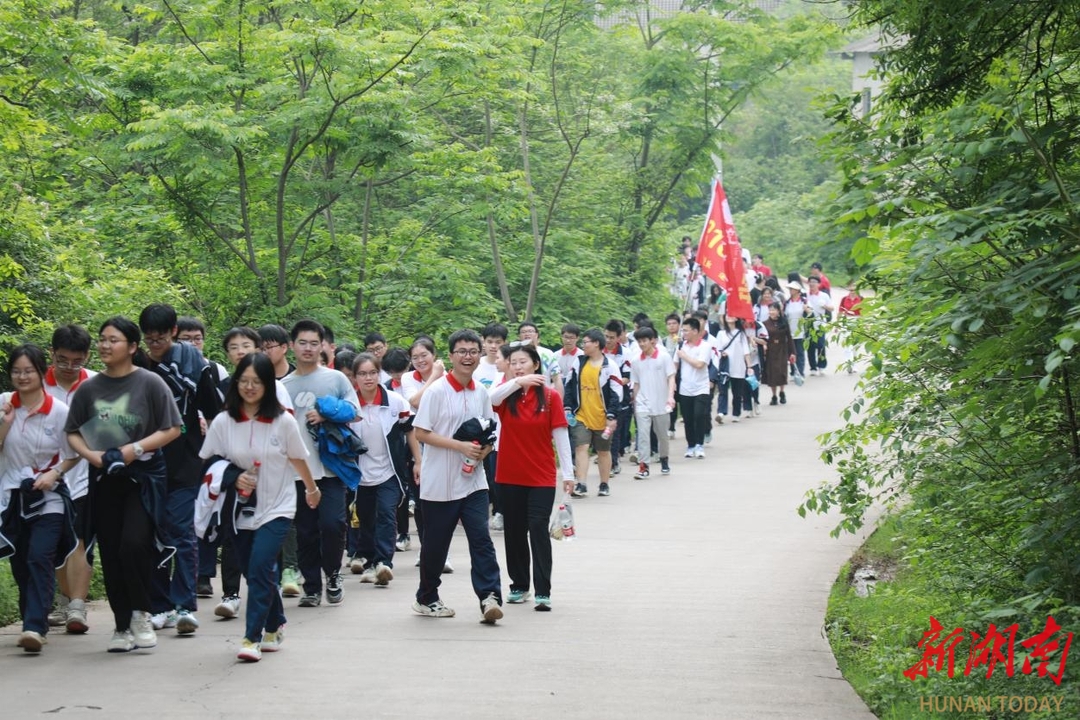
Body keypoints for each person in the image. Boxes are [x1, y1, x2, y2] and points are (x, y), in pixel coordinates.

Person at [65, 317, 183, 653]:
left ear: (132, 346)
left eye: (113, 340)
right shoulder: (89, 388)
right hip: (105, 477)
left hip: (143, 478)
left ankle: (141, 613)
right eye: (102, 339)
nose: (105, 345)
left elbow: (173, 428)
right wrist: (93, 456)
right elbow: (73, 431)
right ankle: (120, 626)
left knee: (134, 543)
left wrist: (135, 449)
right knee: (112, 550)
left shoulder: (150, 382)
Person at [198, 352, 320, 662]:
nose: (250, 387)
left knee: (260, 566)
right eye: (244, 381)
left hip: (278, 507)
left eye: (257, 382)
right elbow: (208, 460)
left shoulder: (283, 421)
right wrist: (234, 477)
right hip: (238, 511)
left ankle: (251, 637)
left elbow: (297, 458)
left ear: (268, 385)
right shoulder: (224, 421)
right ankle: (275, 622)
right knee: (257, 572)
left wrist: (311, 488)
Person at [139, 303, 223, 635]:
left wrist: (215, 456)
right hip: (146, 464)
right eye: (149, 339)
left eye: (160, 338)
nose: (154, 345)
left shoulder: (195, 367)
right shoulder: (139, 365)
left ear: (173, 332)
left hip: (186, 462)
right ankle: (159, 605)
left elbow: (214, 413)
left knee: (182, 532)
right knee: (152, 535)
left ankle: (184, 604)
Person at [411, 329, 503, 624]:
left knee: (481, 539)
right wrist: (459, 446)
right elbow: (421, 432)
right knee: (436, 546)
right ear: (450, 356)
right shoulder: (436, 391)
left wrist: (485, 450)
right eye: (462, 351)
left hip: (473, 482)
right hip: (440, 482)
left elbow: (490, 430)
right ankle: (426, 597)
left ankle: (489, 597)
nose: (468, 357)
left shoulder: (481, 393)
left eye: (473, 351)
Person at [0, 345, 81, 652]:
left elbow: (74, 453)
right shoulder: (3, 404)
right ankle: (31, 620)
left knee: (39, 556)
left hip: (50, 498)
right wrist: (5, 424)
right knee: (20, 562)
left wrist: (54, 473)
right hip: (12, 495)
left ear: (40, 371)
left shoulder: (59, 411)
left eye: (28, 371)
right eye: (16, 371)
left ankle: (34, 626)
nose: (22, 377)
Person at [488, 344, 575, 612]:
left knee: (537, 528)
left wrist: (568, 473)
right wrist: (517, 382)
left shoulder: (550, 397)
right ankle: (519, 585)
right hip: (509, 474)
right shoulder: (507, 396)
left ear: (536, 364)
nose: (518, 367)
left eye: (523, 362)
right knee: (514, 531)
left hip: (541, 476)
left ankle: (543, 591)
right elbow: (491, 398)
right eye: (513, 362)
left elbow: (560, 435)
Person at [281, 319, 359, 607]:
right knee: (305, 531)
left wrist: (327, 414)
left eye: (314, 343)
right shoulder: (282, 385)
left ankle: (333, 574)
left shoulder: (335, 379)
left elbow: (355, 411)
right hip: (297, 472)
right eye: (303, 342)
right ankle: (312, 587)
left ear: (323, 346)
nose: (308, 348)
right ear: (292, 345)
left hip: (330, 468)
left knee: (333, 524)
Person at [43, 325, 96, 634]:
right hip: (48, 478)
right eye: (62, 360)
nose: (69, 367)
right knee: (57, 543)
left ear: (87, 356)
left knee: (80, 540)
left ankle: (76, 605)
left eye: (77, 361)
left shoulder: (97, 384)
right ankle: (65, 600)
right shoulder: (38, 385)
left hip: (86, 476)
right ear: (52, 353)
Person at [351, 353, 420, 588]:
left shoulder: (395, 402)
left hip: (390, 472)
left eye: (372, 372)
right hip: (360, 475)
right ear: (355, 377)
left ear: (379, 374)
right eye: (362, 374)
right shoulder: (349, 405)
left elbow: (409, 430)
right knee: (366, 519)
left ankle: (384, 563)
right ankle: (370, 563)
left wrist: (418, 461)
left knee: (386, 514)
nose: (368, 378)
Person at [563, 328, 621, 498]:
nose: (583, 345)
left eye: (586, 342)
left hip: (602, 417)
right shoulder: (579, 363)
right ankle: (581, 484)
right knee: (581, 447)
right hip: (581, 415)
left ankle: (604, 484)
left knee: (603, 451)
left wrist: (612, 415)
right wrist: (568, 408)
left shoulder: (610, 366)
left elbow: (617, 392)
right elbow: (569, 386)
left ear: (596, 343)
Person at [629, 326, 676, 478]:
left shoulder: (664, 357)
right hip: (642, 403)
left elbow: (671, 377)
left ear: (653, 341)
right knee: (643, 435)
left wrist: (670, 397)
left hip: (661, 403)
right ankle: (644, 466)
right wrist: (635, 403)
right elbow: (636, 383)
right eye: (639, 341)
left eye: (644, 341)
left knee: (662, 436)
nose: (642, 344)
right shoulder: (636, 361)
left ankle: (664, 459)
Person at [675, 317, 712, 458]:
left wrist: (684, 356)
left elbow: (699, 364)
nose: (683, 333)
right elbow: (675, 364)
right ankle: (690, 445)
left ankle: (699, 444)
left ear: (695, 331)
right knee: (688, 418)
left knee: (699, 415)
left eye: (686, 330)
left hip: (701, 387)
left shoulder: (705, 346)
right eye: (683, 330)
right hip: (685, 387)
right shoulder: (681, 346)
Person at [714, 315, 753, 425]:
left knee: (737, 393)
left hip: (738, 366)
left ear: (736, 318)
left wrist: (749, 366)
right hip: (725, 367)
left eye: (732, 315)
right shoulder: (721, 333)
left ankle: (736, 413)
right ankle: (721, 412)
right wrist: (721, 353)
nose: (729, 317)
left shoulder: (741, 334)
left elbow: (746, 351)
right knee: (722, 391)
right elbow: (717, 350)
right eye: (728, 315)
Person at [762, 302, 797, 405]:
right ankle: (774, 395)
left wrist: (792, 352)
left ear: (778, 311)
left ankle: (782, 392)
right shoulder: (765, 324)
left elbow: (789, 338)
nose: (771, 312)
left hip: (782, 350)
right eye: (770, 310)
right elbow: (762, 337)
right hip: (771, 350)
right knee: (772, 373)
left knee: (782, 372)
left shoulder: (784, 322)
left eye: (774, 310)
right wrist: (763, 347)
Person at [517, 322, 564, 396]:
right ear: (519, 336)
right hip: (520, 396)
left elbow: (557, 378)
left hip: (544, 396)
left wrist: (560, 400)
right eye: (523, 332)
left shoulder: (547, 353)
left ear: (536, 335)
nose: (527, 334)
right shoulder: (514, 354)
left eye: (530, 331)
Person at [806, 275, 835, 376]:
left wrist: (824, 306)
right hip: (808, 323)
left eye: (814, 282)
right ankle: (813, 367)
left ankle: (821, 365)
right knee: (810, 346)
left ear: (819, 284)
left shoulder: (824, 295)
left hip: (820, 323)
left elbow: (832, 308)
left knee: (821, 345)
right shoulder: (805, 295)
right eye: (810, 282)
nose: (812, 284)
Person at [784, 281, 809, 378]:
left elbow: (811, 313)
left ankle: (800, 371)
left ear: (797, 290)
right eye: (790, 289)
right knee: (791, 352)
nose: (790, 291)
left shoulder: (804, 301)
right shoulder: (787, 303)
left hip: (801, 331)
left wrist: (807, 309)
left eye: (792, 289)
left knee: (800, 352)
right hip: (790, 331)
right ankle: (793, 371)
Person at [838, 283, 863, 373]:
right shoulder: (844, 299)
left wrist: (865, 324)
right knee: (848, 344)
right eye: (851, 290)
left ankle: (854, 364)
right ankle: (849, 363)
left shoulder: (861, 299)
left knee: (856, 345)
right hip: (847, 320)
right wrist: (837, 324)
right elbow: (840, 311)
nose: (852, 292)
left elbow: (864, 312)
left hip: (857, 320)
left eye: (854, 290)